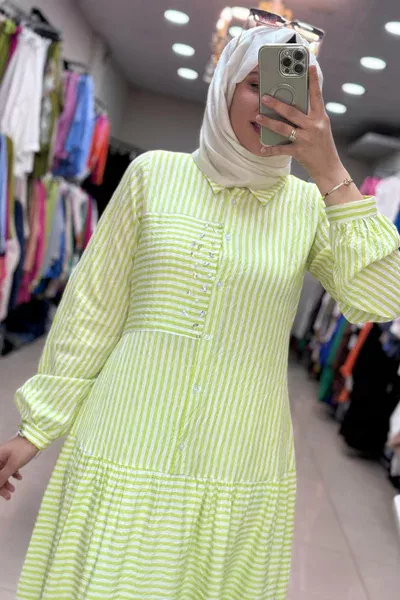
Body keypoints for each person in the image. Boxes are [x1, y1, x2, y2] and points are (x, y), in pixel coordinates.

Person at [1, 25, 400, 600]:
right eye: (256, 84)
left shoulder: (308, 205)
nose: (272, 102)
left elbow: (382, 298)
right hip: (125, 440)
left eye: (289, 90)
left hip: (239, 458)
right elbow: (92, 308)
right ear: (224, 87)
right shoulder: (153, 175)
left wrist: (330, 171)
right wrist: (36, 427)